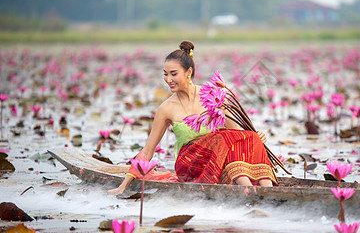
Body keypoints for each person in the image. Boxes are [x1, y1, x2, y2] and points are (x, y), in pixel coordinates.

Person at [108, 41, 277, 195]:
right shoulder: (165, 108)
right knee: (221, 137)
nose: (168, 80)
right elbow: (147, 151)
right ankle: (248, 191)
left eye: (174, 74)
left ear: (189, 72)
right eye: (165, 74)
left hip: (216, 159)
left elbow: (237, 134)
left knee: (250, 137)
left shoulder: (213, 96)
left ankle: (268, 192)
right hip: (189, 164)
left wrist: (254, 137)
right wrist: (122, 187)